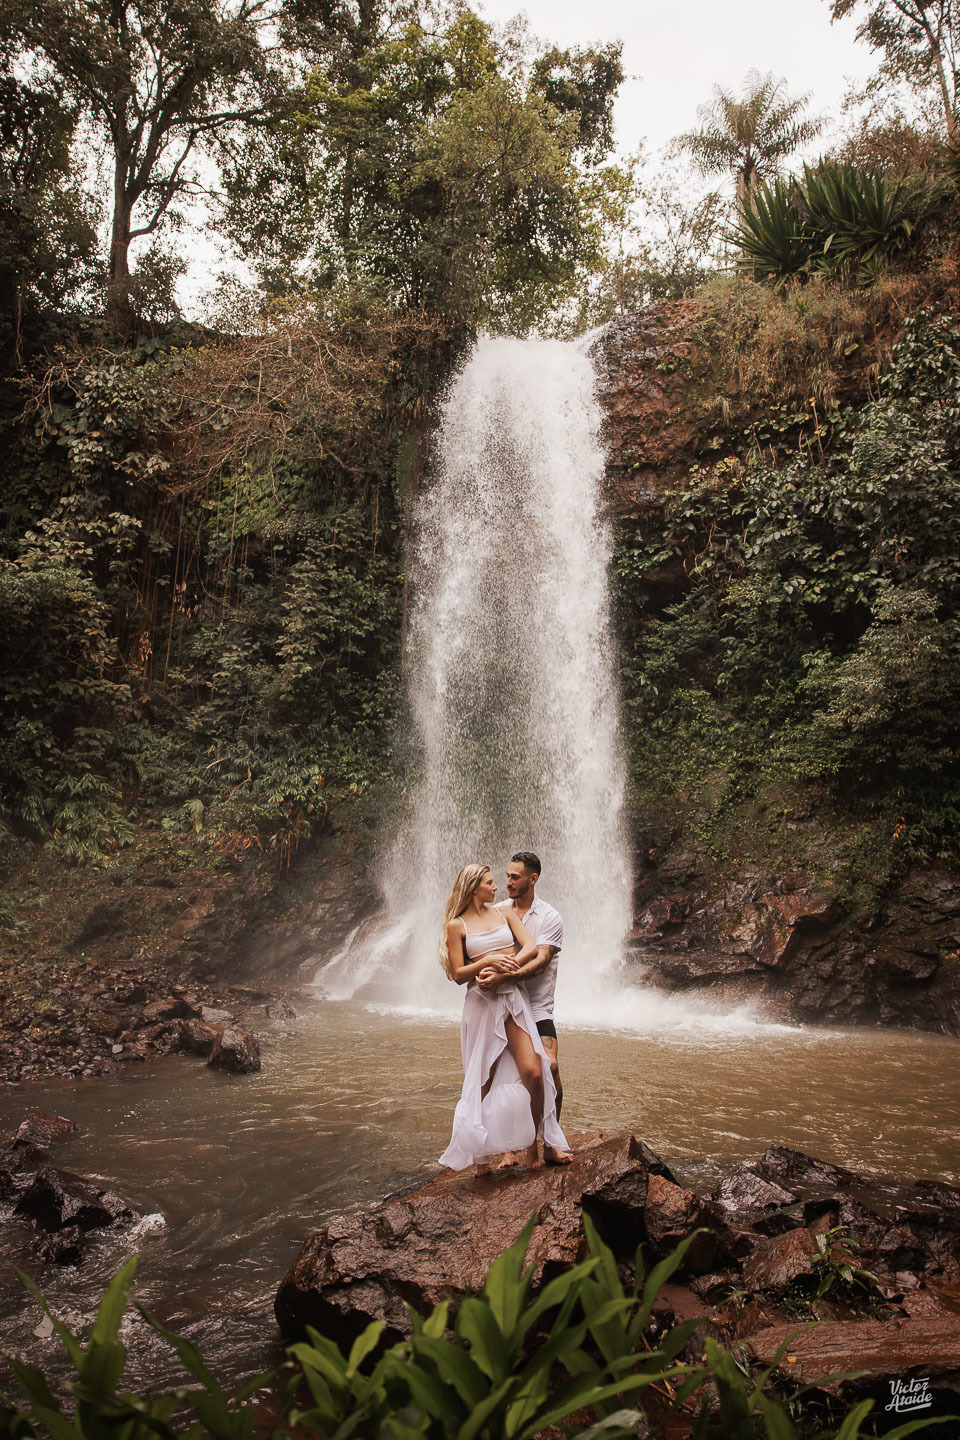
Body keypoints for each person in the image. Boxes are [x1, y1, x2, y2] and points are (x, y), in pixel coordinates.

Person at [438, 862, 570, 1174]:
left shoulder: (504, 913)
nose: (497, 887)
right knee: (482, 1079)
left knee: (534, 1072)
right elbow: (458, 974)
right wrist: (490, 960)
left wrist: (503, 965)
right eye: (490, 882)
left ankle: (532, 1147)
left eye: (500, 881)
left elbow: (529, 947)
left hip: (511, 999)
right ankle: (480, 1158)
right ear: (473, 888)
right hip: (481, 1003)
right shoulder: (457, 926)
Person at [493, 851, 573, 1166]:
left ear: (533, 879)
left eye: (515, 877)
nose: (508, 882)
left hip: (538, 1008)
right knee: (506, 1075)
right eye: (507, 876)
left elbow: (541, 962)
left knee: (550, 1068)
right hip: (507, 1005)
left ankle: (550, 1140)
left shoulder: (550, 917)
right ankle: (510, 1149)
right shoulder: (498, 912)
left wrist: (507, 973)